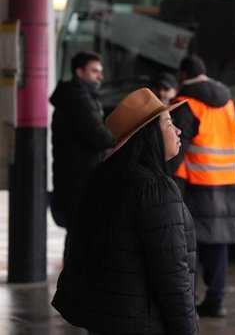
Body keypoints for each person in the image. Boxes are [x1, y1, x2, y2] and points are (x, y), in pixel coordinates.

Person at [52, 88, 198, 335]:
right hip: (143, 322)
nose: (178, 130)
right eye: (170, 123)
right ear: (149, 135)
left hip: (105, 321)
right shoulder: (155, 189)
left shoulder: (102, 179)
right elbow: (172, 275)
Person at [168, 55, 235, 318]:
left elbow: (175, 147)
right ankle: (216, 300)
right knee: (218, 244)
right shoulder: (227, 102)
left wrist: (165, 177)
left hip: (194, 183)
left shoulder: (186, 103)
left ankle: (188, 302)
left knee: (188, 244)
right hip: (228, 181)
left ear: (183, 74)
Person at [49, 51, 114, 229]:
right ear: (79, 72)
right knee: (83, 234)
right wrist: (119, 136)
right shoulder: (79, 99)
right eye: (94, 71)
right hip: (80, 178)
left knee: (77, 234)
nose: (100, 76)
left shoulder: (76, 96)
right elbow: (99, 136)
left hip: (71, 176)